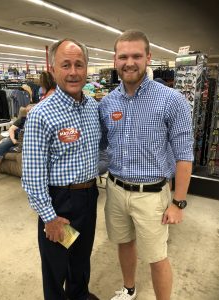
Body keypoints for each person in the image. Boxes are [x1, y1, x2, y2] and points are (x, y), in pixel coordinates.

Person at [99, 30, 193, 300]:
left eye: (136, 56)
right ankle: (129, 290)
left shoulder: (172, 100)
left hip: (152, 195)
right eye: (123, 56)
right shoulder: (107, 103)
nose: (130, 62)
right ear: (115, 60)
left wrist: (179, 202)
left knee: (157, 256)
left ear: (148, 57)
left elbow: (184, 155)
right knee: (124, 244)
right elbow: (103, 145)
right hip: (115, 190)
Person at [22, 39, 101, 300]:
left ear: (87, 68)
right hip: (59, 201)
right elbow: (33, 175)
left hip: (88, 196)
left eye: (79, 64)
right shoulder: (41, 114)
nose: (73, 72)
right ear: (53, 70)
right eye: (65, 65)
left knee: (80, 260)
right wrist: (49, 217)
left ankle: (79, 296)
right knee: (56, 267)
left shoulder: (93, 108)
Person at [0, 104, 34, 176]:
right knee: (2, 146)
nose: (29, 113)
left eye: (31, 111)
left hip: (24, 142)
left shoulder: (37, 121)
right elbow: (11, 129)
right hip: (14, 138)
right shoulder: (22, 119)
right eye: (27, 112)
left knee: (3, 146)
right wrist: (13, 139)